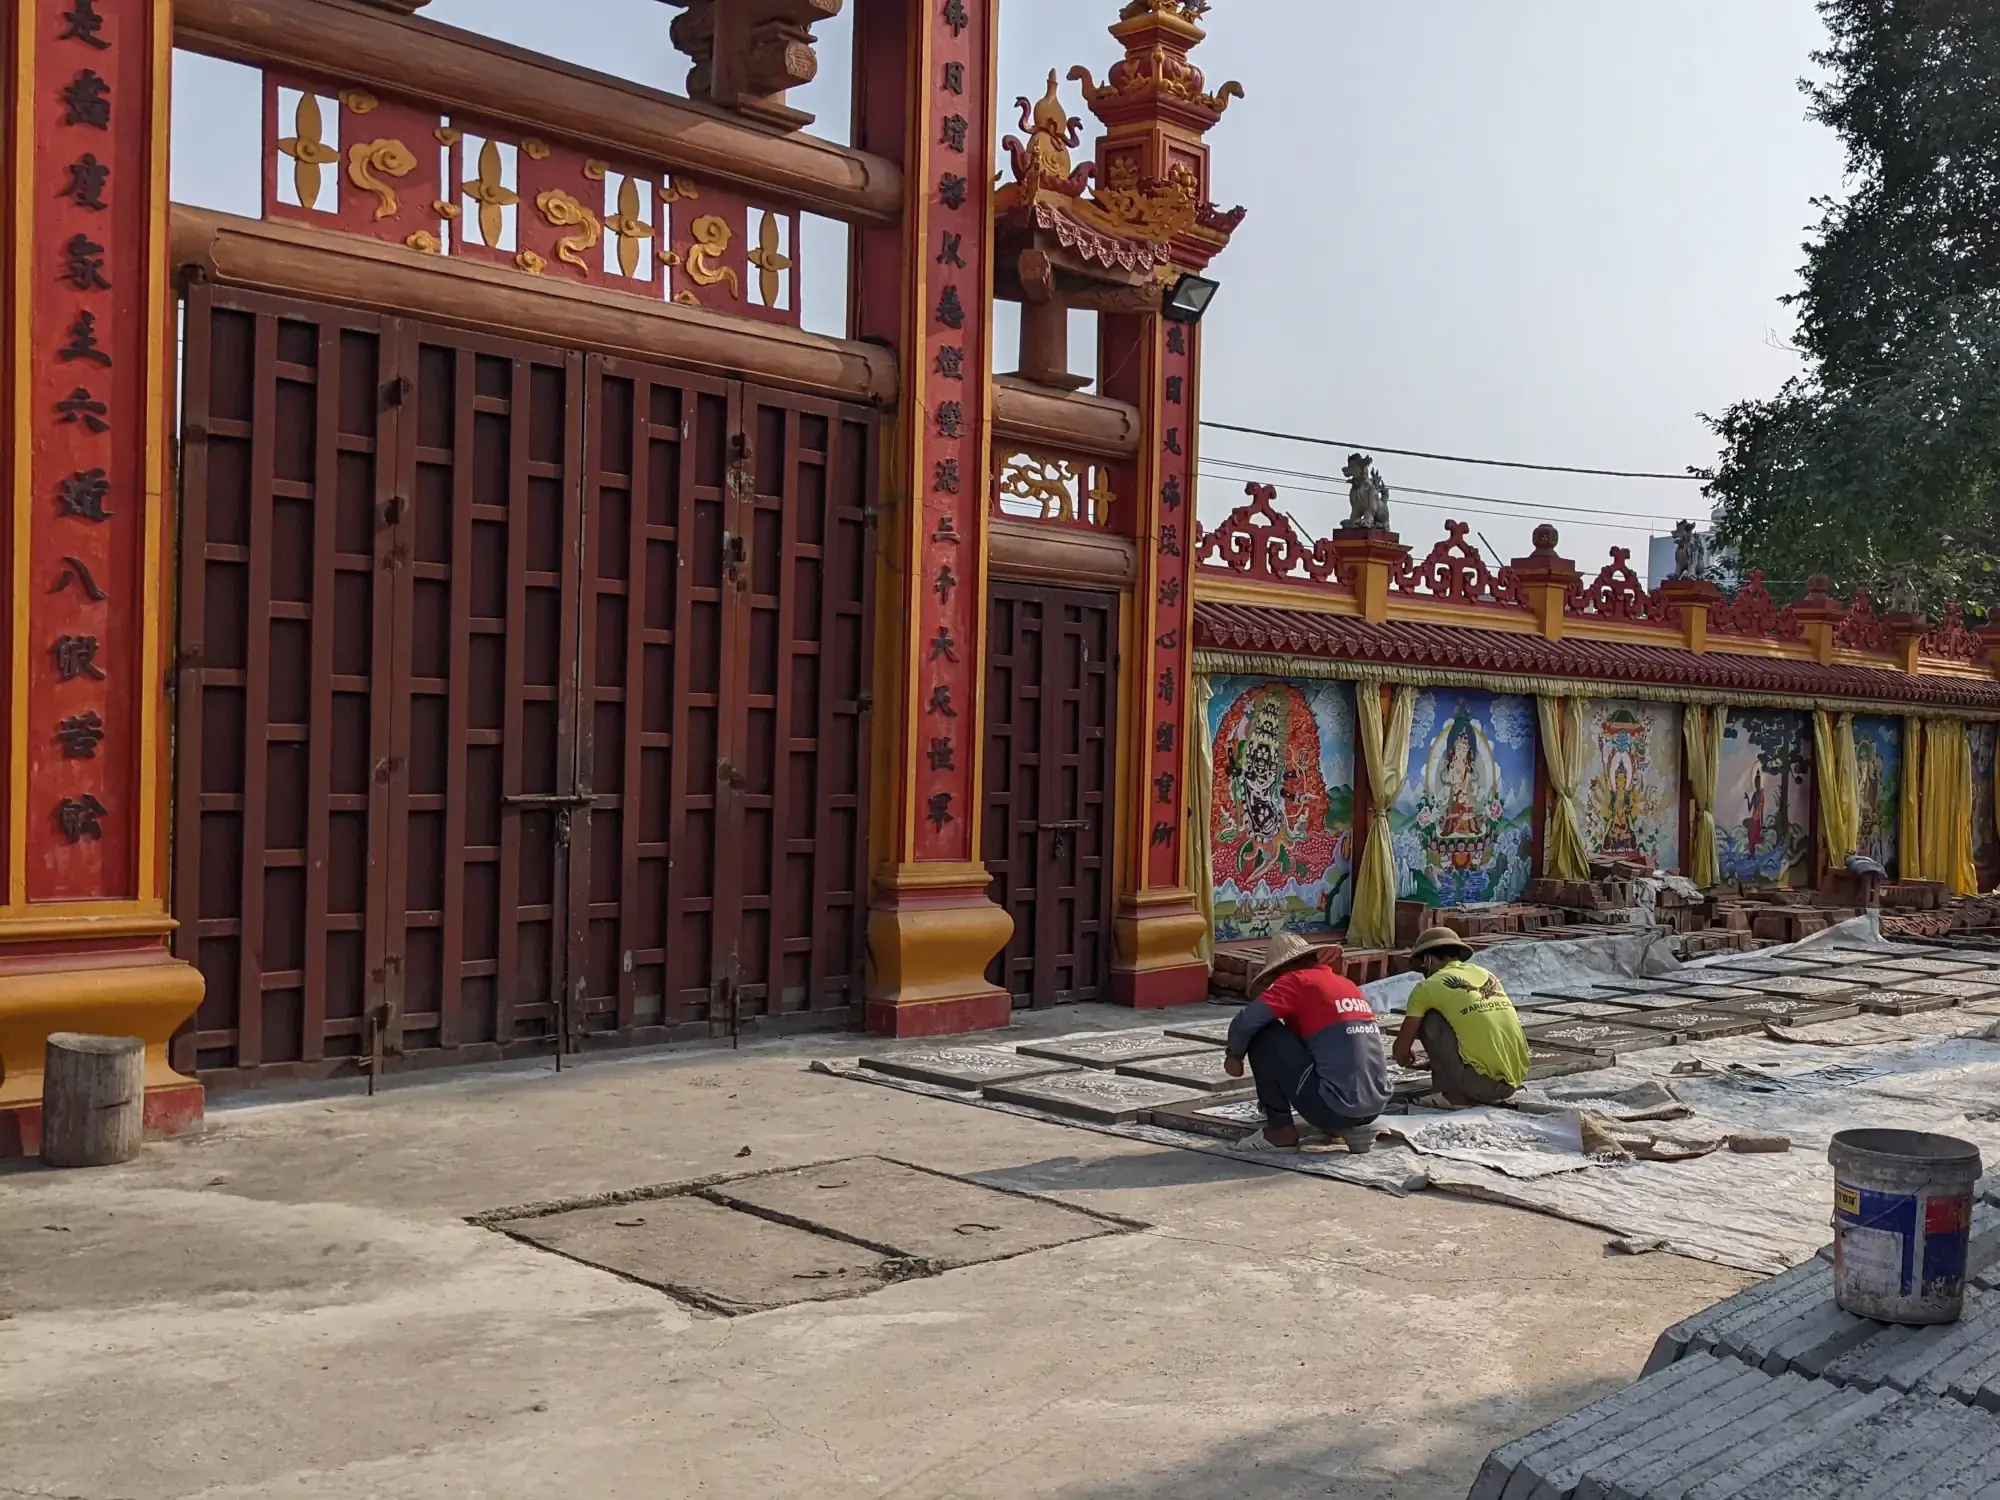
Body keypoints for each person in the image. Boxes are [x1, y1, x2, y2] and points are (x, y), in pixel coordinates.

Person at [1223, 931, 1391, 1154]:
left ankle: (1280, 1132)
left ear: (1281, 969)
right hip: (1374, 1107)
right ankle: (1343, 1129)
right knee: (1323, 1045)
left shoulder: (1295, 980)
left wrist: (1234, 1055)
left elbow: (1245, 1021)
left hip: (1332, 1109)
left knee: (1263, 1032)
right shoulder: (1345, 983)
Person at [1391, 927, 1530, 1107]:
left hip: (1482, 1087)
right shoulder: (1485, 974)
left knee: (1429, 1017)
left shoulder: (1427, 987)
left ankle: (1452, 1095)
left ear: (1427, 959)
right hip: (1513, 1081)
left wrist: (1405, 1057)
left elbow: (1400, 1052)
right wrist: (1435, 1061)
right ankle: (1466, 1077)